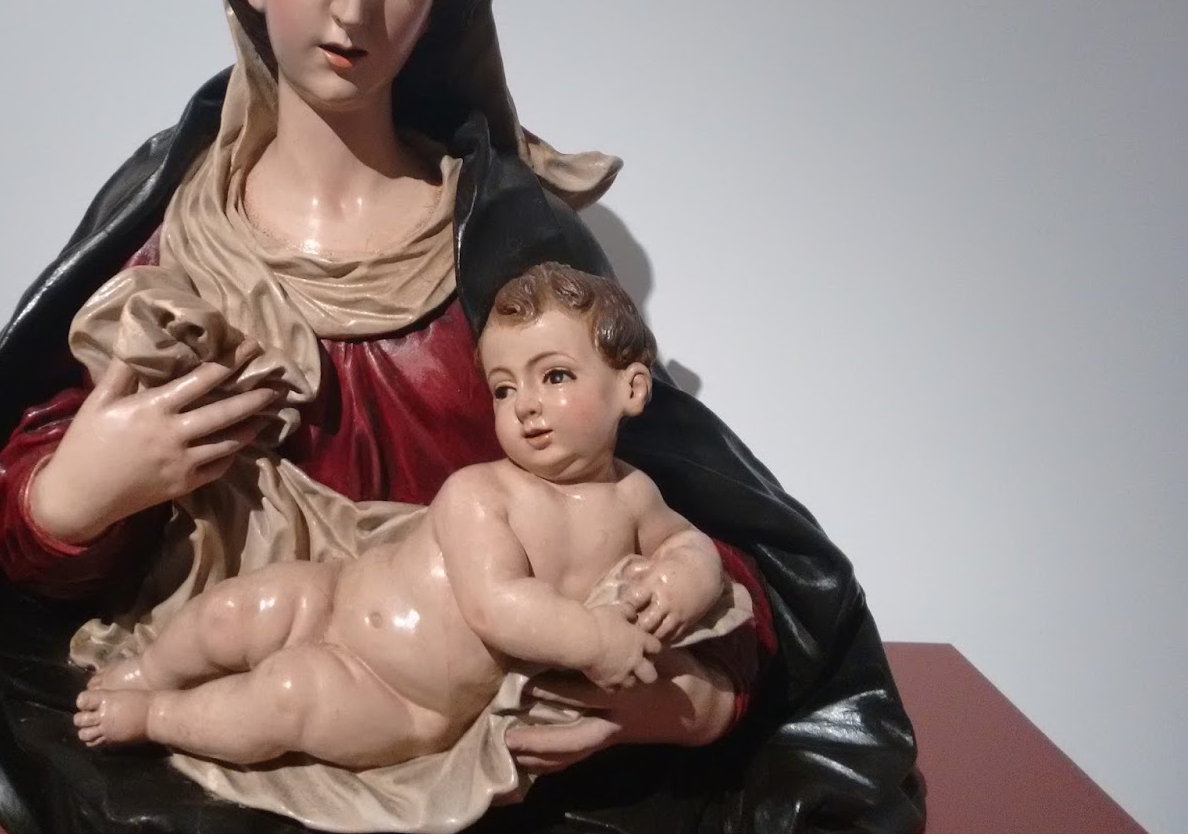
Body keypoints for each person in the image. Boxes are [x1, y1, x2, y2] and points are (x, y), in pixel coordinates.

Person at [0, 0, 924, 834]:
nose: (352, 6)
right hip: (224, 657)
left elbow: (690, 520)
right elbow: (3, 560)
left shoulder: (502, 246)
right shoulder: (169, 243)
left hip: (435, 701)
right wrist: (79, 493)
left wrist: (675, 704)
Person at [70, 263, 748, 788]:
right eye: (505, 387)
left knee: (285, 697)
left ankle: (156, 717)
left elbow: (687, 544)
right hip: (336, 598)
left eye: (555, 376)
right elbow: (496, 603)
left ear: (631, 389)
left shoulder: (635, 496)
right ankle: (148, 671)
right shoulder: (481, 492)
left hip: (402, 698)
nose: (526, 406)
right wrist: (595, 639)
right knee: (236, 610)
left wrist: (685, 581)